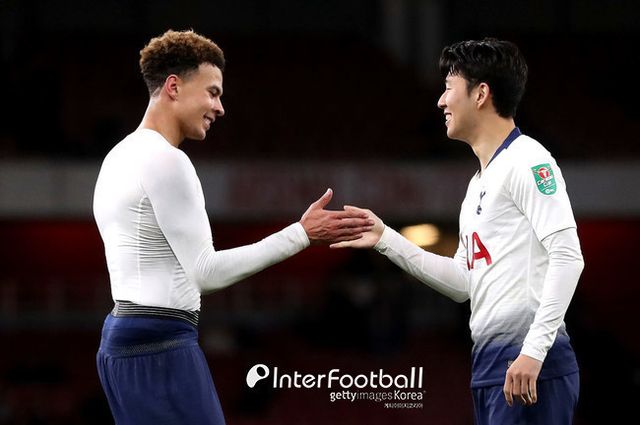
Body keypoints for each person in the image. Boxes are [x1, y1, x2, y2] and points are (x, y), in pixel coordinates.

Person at [92, 29, 373, 425]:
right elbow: (206, 272)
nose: (220, 107)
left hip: (123, 342)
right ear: (173, 87)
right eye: (212, 92)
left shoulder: (117, 157)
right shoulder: (167, 160)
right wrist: (302, 234)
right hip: (160, 344)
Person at [333, 38, 584, 424]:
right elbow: (464, 283)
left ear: (481, 94)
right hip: (489, 366)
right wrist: (386, 239)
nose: (440, 101)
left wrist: (533, 352)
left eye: (449, 88)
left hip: (531, 365)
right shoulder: (477, 185)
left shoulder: (529, 160)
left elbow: (568, 256)